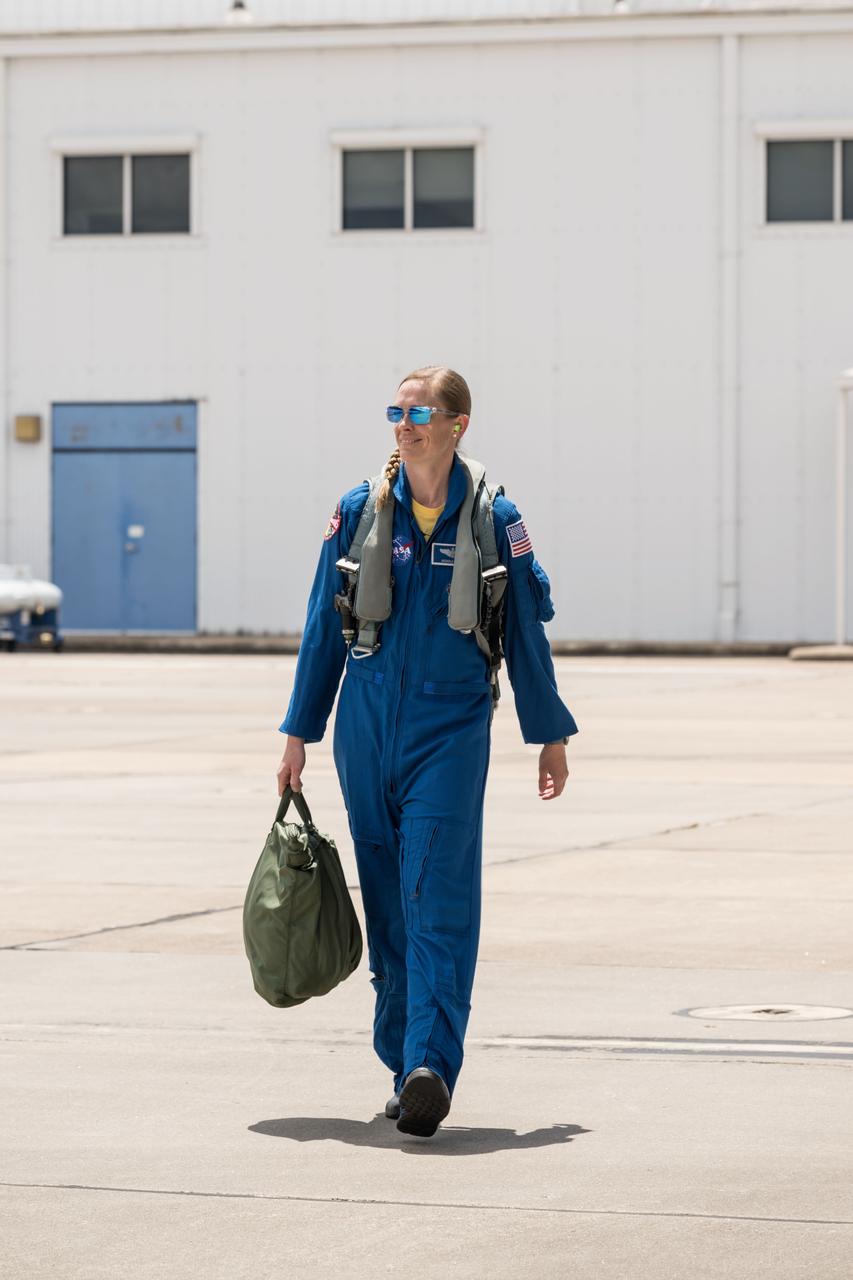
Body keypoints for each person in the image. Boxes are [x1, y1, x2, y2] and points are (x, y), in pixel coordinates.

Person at [276, 365, 579, 1138]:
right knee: (386, 903)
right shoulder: (358, 512)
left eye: (419, 413)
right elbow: (322, 625)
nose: (404, 425)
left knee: (434, 895)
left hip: (450, 728)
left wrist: (548, 733)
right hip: (365, 726)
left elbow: (522, 630)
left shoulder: (493, 518)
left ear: (456, 424)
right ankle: (400, 1064)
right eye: (396, 412)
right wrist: (297, 734)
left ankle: (429, 1066)